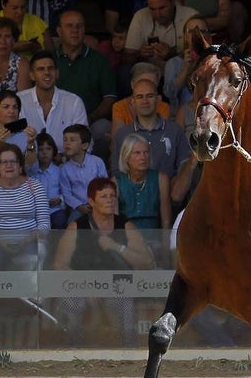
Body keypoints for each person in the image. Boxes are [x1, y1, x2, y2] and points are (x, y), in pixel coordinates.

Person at [53, 177, 155, 345]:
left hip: (118, 286)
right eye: (104, 196)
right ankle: (72, 353)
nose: (110, 200)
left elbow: (146, 261)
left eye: (112, 196)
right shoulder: (77, 227)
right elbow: (59, 265)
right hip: (81, 287)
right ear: (91, 201)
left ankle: (129, 354)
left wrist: (117, 247)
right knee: (72, 302)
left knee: (125, 304)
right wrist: (85, 287)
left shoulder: (125, 225)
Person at [0, 143, 50, 270]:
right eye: (4, 162)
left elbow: (45, 225)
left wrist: (26, 240)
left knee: (34, 256)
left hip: (30, 241)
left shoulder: (35, 186)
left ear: (20, 167)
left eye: (13, 161)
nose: (9, 165)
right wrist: (1, 243)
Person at [17, 51, 88, 141]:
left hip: (67, 155)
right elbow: (14, 141)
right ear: (32, 75)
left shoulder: (74, 102)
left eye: (50, 68)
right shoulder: (19, 101)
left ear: (57, 73)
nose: (47, 72)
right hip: (29, 154)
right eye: (40, 69)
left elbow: (85, 142)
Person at [124, 0, 201, 68]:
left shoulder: (191, 16)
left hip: (181, 70)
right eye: (152, 9)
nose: (157, 14)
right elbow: (127, 58)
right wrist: (139, 54)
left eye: (162, 8)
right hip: (148, 71)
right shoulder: (140, 16)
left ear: (172, 1)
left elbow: (201, 55)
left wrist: (172, 55)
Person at [116, 132, 171, 230]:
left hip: (154, 238)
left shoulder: (161, 179)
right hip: (127, 239)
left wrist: (165, 244)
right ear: (126, 157)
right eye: (137, 153)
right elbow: (114, 220)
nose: (143, 157)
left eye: (146, 152)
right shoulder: (116, 182)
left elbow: (166, 221)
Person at [32, 131, 66, 228]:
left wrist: (59, 200)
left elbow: (65, 191)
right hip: (36, 211)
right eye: (40, 149)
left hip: (55, 209)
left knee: (59, 220)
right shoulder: (31, 173)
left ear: (54, 151)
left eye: (48, 149)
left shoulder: (59, 171)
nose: (44, 152)